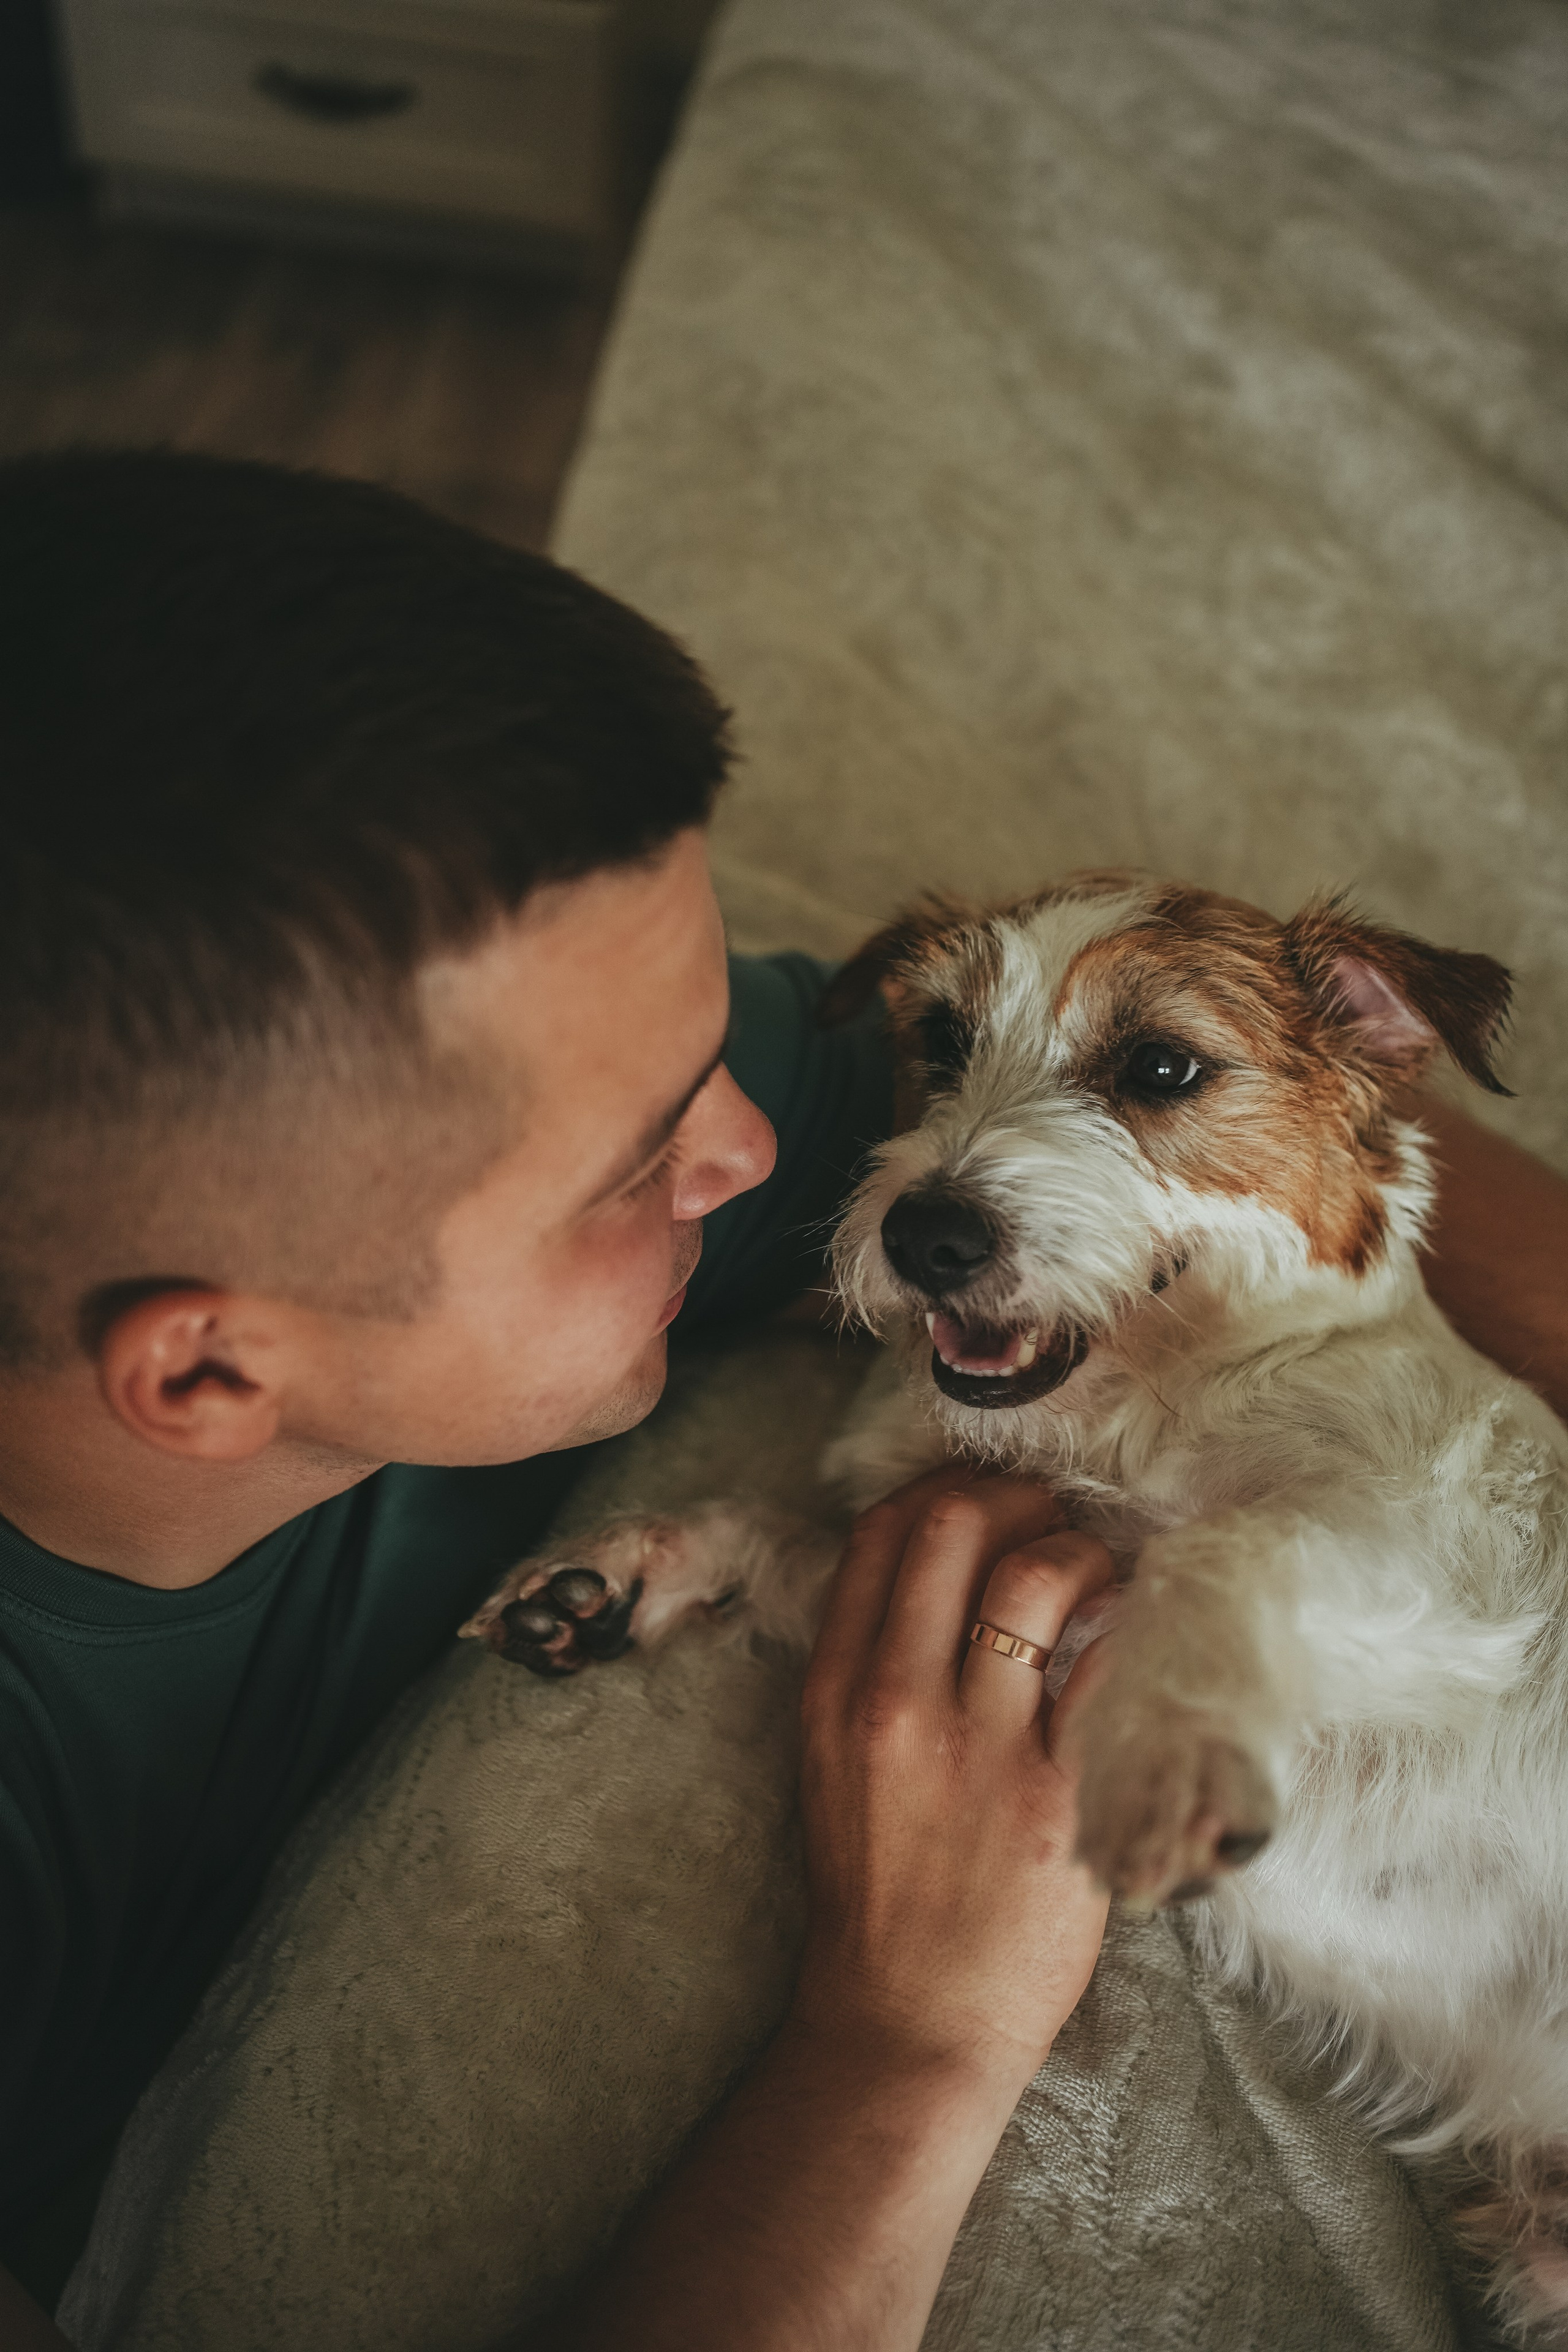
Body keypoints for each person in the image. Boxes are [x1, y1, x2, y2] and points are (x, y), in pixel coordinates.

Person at [0, 451, 1562, 2352]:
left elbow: (1273, 1124)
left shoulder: (400, 1059)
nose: (773, 1143)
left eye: (718, 1050)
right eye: (643, 1149)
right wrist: (911, 2034)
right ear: (212, 1365)